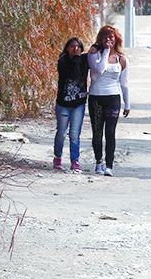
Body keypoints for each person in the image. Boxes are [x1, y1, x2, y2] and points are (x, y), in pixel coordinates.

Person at [87, 25, 130, 176]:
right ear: (101, 39)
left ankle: (109, 166)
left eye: (111, 37)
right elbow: (98, 70)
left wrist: (127, 104)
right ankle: (99, 162)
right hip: (96, 98)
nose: (108, 40)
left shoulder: (122, 59)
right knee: (97, 132)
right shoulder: (94, 54)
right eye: (105, 37)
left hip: (113, 98)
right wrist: (105, 51)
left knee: (110, 132)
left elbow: (124, 83)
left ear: (116, 39)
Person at [53, 37, 89, 172]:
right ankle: (58, 157)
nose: (76, 49)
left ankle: (75, 161)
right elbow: (73, 75)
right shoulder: (62, 62)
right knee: (61, 132)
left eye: (78, 46)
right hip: (63, 103)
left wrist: (95, 49)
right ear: (67, 48)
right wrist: (76, 59)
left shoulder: (84, 60)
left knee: (74, 134)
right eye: (73, 46)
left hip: (78, 104)